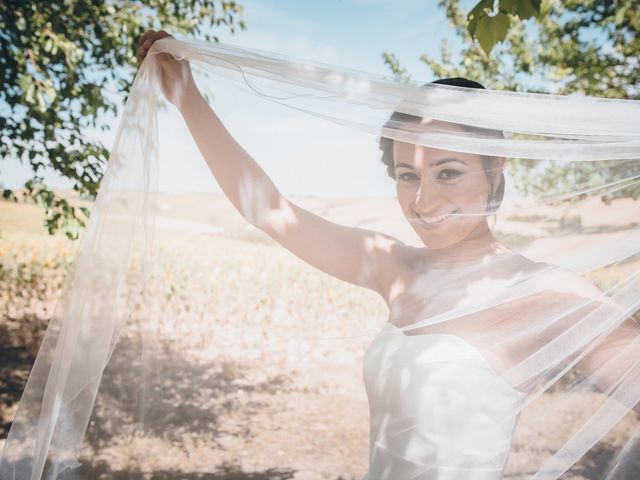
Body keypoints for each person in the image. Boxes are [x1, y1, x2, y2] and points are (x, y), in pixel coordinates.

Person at [137, 30, 640, 478]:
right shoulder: (394, 266)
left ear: (496, 168)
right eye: (408, 176)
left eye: (448, 172)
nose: (423, 202)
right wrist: (187, 98)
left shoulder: (546, 294)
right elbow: (269, 210)